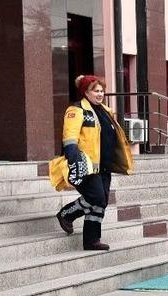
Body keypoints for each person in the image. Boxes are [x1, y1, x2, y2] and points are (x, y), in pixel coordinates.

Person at [52, 75, 133, 251]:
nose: (100, 94)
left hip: (104, 165)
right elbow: (70, 137)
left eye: (102, 90)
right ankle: (66, 214)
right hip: (85, 166)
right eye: (96, 91)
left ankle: (91, 240)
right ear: (85, 92)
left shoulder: (106, 111)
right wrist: (74, 160)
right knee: (96, 197)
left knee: (101, 202)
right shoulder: (76, 110)